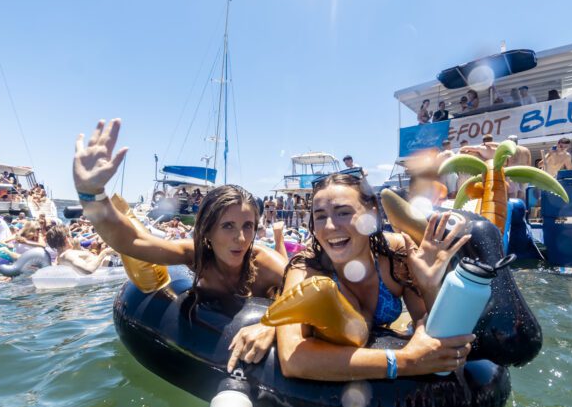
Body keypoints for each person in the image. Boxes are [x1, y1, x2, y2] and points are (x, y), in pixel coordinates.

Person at [73, 119, 288, 373]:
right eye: (228, 226)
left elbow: (315, 294)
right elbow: (133, 241)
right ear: (207, 230)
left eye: (248, 226)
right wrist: (91, 193)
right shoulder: (195, 255)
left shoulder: (264, 263)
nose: (241, 238)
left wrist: (273, 323)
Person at [276, 174, 474, 381]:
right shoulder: (305, 268)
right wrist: (404, 360)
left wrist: (429, 285)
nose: (330, 227)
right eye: (320, 216)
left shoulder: (396, 253)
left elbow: (434, 333)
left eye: (343, 213)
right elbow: (292, 360)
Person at [47, 224, 115, 273]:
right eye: (71, 236)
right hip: (112, 264)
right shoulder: (67, 255)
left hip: (110, 265)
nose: (73, 239)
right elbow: (88, 270)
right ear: (66, 239)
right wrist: (105, 253)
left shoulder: (59, 257)